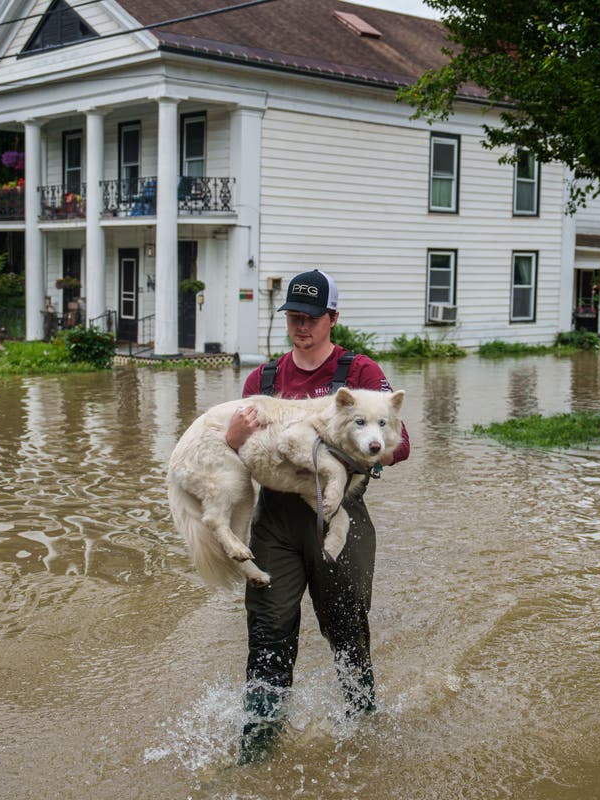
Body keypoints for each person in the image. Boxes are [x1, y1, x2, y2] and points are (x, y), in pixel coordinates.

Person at [225, 269, 410, 764]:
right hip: (275, 525)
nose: (301, 325)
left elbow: (400, 444)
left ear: (333, 318)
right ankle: (257, 754)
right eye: (293, 316)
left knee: (347, 631)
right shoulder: (262, 379)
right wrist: (233, 441)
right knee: (268, 634)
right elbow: (231, 453)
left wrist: (355, 447)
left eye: (311, 317)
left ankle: (365, 735)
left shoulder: (363, 375)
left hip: (340, 519)